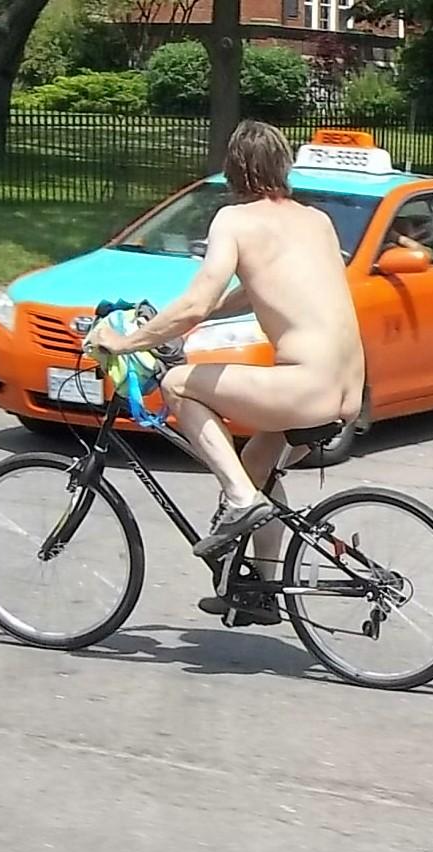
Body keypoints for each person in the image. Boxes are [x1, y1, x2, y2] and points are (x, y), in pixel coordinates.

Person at [86, 119, 364, 581]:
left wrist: (125, 341)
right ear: (283, 165)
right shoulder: (317, 221)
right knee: (257, 466)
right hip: (347, 392)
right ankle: (267, 589)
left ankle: (239, 500)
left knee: (178, 384)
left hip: (305, 387)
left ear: (233, 170)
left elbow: (196, 301)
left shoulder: (234, 220)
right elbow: (259, 287)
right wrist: (196, 319)